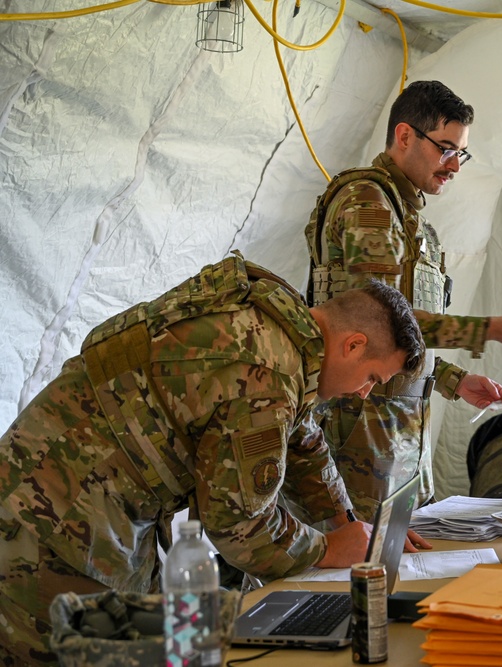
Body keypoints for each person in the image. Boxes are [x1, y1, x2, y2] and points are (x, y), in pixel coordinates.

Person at [0, 253, 426, 665]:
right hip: (55, 516)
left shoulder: (282, 328)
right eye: (372, 378)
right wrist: (325, 549)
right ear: (354, 344)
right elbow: (241, 527)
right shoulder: (267, 371)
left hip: (75, 493)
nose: (365, 392)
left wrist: (345, 521)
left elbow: (302, 439)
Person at [305, 80, 502, 520]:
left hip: (398, 427)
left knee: (404, 552)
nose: (454, 165)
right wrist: (493, 328)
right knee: (363, 564)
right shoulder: (369, 204)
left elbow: (403, 339)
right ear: (405, 136)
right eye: (446, 149)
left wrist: (452, 379)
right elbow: (379, 324)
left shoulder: (412, 220)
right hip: (362, 427)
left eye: (461, 152)